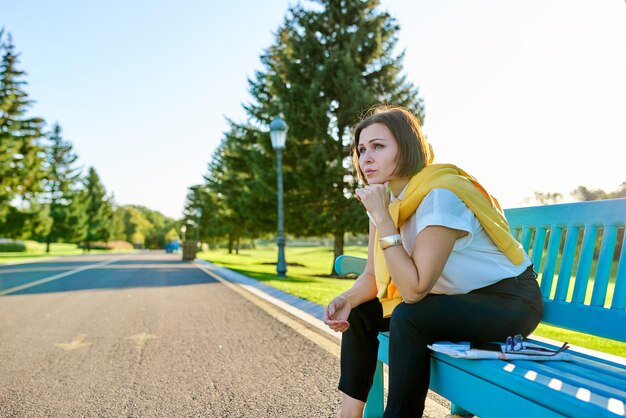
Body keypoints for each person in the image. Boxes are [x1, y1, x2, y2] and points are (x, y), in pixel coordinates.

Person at [323, 105, 543, 417]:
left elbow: (414, 291)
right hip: (450, 303)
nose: (365, 158)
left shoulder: (441, 196)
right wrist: (346, 299)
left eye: (378, 147)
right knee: (360, 312)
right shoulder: (387, 202)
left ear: (407, 147)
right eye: (361, 149)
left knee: (410, 316)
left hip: (507, 303)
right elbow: (373, 277)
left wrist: (384, 221)